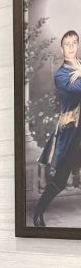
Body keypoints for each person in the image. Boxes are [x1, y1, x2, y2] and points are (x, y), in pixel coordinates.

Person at [33, 29, 81, 226]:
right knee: (60, 181)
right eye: (67, 44)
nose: (71, 47)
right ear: (62, 49)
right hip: (72, 134)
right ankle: (38, 213)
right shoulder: (61, 74)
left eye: (74, 43)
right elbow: (76, 90)